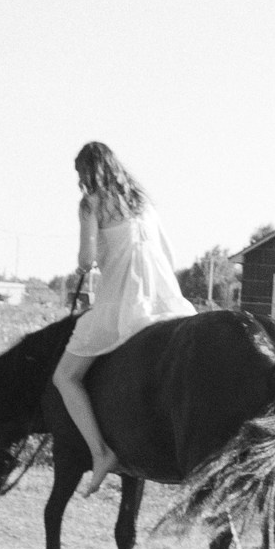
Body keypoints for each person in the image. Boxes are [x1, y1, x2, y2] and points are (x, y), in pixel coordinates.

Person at [53, 142, 196, 493]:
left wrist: (83, 264)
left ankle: (100, 453)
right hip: (166, 301)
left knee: (65, 377)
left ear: (87, 173)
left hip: (122, 302)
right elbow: (169, 252)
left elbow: (87, 258)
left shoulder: (90, 204)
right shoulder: (143, 202)